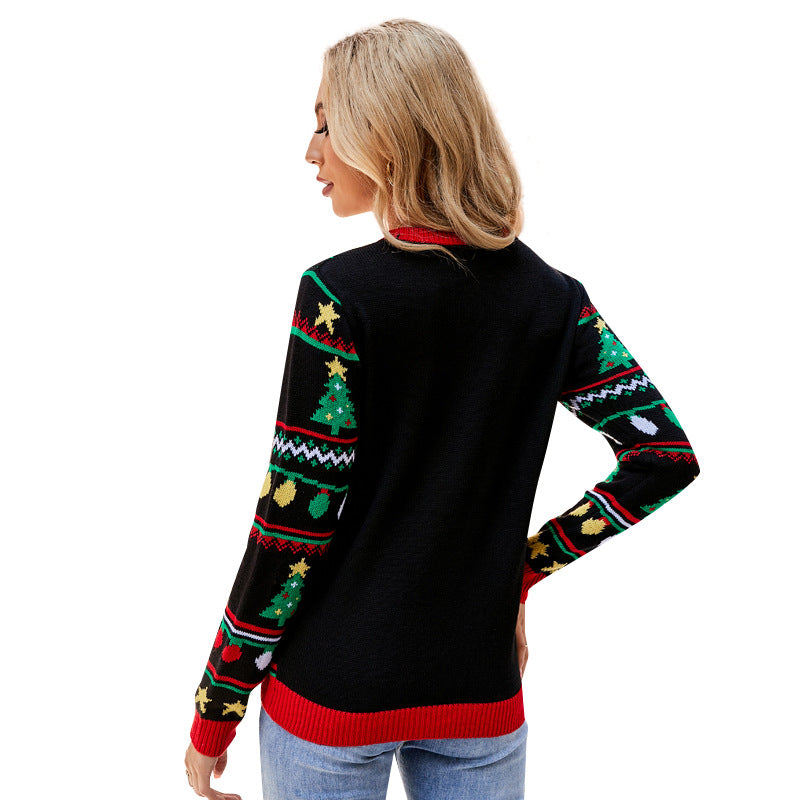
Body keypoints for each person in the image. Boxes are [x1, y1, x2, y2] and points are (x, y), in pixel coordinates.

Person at [184, 18, 700, 800]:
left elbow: (294, 524)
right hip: (478, 692)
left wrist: (216, 705)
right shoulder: (552, 300)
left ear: (384, 136)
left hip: (333, 696)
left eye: (326, 124)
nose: (311, 151)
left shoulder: (338, 297)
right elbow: (662, 458)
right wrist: (522, 569)